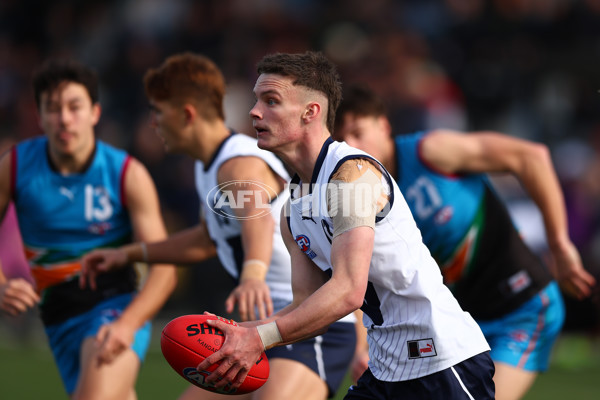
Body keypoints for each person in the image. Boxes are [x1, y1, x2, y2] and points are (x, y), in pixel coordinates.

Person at [187, 51, 495, 399]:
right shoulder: (293, 209)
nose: (254, 111)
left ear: (310, 112)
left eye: (271, 101)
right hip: (386, 369)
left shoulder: (352, 174)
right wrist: (242, 332)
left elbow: (348, 291)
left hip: (441, 361)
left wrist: (259, 339)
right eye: (257, 100)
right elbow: (305, 303)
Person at [80, 52, 357, 400]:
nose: (153, 123)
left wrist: (252, 275)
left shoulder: (236, 164)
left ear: (186, 115)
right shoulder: (208, 166)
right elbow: (207, 240)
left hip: (308, 326)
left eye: (158, 111)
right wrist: (129, 253)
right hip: (260, 327)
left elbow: (256, 218)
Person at [332, 85, 597, 400]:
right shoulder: (361, 197)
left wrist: (559, 245)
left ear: (384, 126)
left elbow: (531, 157)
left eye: (359, 131)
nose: (353, 145)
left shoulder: (430, 152)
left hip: (523, 307)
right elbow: (362, 279)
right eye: (343, 138)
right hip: (457, 327)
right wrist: (361, 349)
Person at [0, 58, 177, 400]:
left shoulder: (126, 173)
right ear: (39, 117)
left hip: (114, 310)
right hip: (57, 318)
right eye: (53, 109)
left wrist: (127, 324)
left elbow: (165, 268)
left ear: (95, 113)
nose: (64, 118)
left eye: (74, 107)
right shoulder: (16, 166)